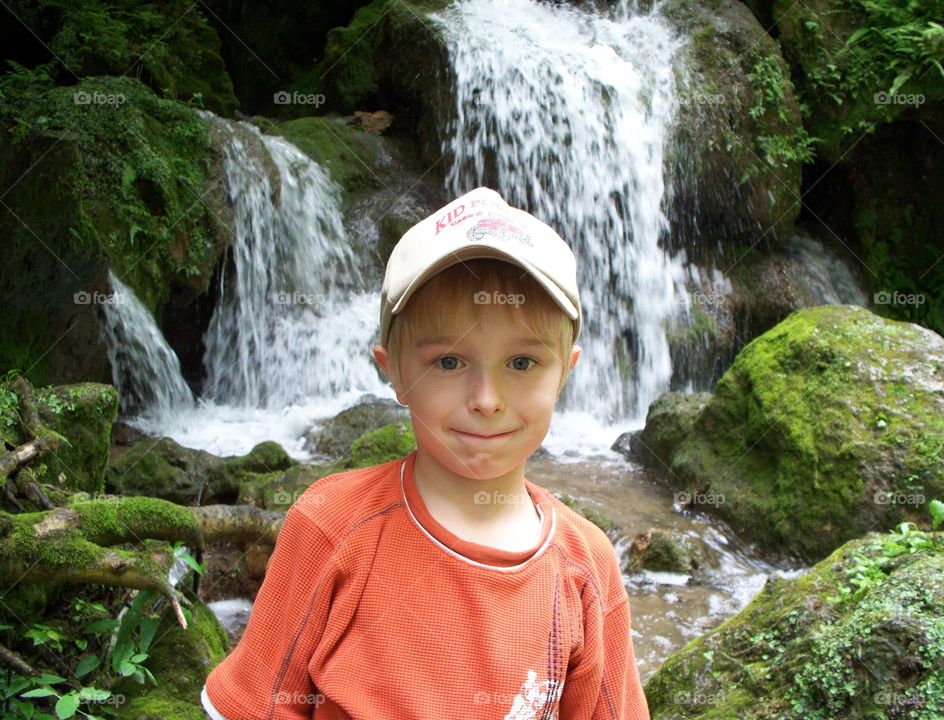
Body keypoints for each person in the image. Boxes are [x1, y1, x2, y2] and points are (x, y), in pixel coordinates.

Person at [201, 187, 650, 719]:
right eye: (449, 363)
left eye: (523, 363)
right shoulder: (328, 528)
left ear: (565, 373)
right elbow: (255, 706)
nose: (487, 400)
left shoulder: (587, 566)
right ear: (392, 370)